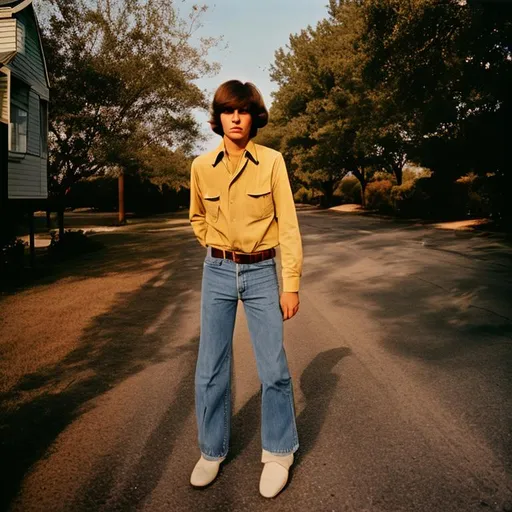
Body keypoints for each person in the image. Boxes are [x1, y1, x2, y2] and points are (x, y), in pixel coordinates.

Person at [188, 80, 303, 499]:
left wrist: (290, 285)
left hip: (262, 272)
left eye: (243, 111)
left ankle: (278, 452)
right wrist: (215, 246)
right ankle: (211, 450)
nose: (235, 118)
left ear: (254, 116)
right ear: (218, 117)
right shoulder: (201, 165)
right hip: (216, 271)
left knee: (273, 368)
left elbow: (288, 226)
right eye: (227, 111)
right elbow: (197, 217)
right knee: (210, 368)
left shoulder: (272, 162)